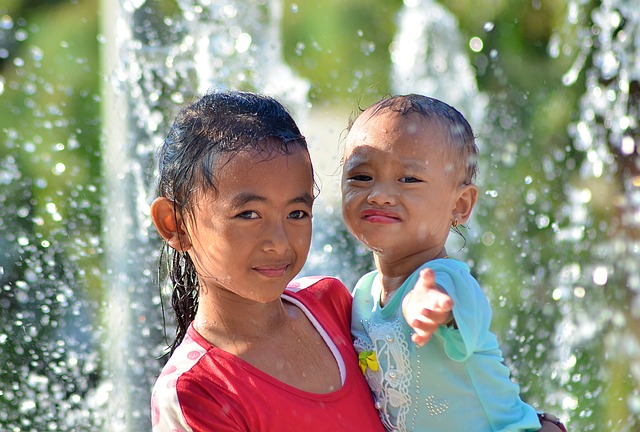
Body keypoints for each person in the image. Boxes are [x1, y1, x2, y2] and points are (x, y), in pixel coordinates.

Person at [149, 90, 385, 432]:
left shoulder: (330, 305)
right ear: (175, 224)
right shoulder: (198, 391)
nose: (278, 242)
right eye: (248, 214)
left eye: (297, 213)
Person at [341, 94, 567, 432]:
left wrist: (437, 309)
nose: (379, 194)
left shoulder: (448, 280)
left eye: (408, 179)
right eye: (361, 176)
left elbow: (453, 306)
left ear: (460, 205)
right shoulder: (361, 294)